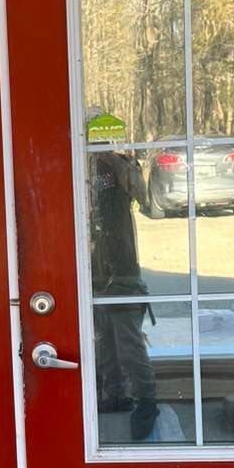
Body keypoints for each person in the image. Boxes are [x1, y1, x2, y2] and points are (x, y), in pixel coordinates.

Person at [87, 116, 160, 442]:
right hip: (93, 270)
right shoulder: (85, 173)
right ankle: (113, 395)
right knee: (104, 341)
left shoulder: (117, 169)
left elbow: (145, 197)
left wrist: (120, 163)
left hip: (121, 269)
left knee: (128, 343)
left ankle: (147, 400)